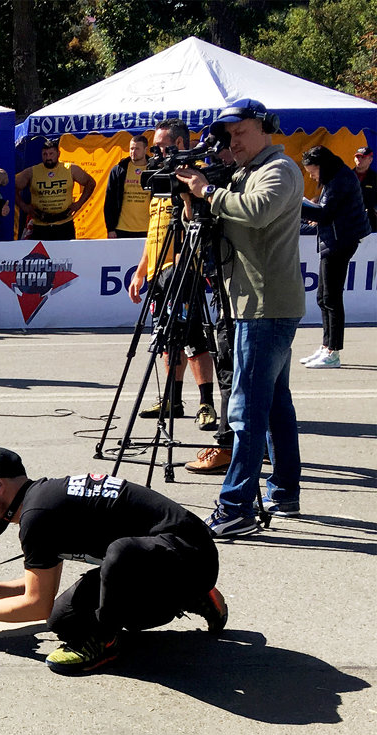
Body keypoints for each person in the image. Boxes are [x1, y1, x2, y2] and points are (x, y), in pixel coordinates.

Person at [0, 446, 226, 674]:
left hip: (191, 558)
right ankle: (187, 598)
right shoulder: (40, 504)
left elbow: (36, 605)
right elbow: (40, 591)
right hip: (156, 558)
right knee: (65, 619)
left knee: (121, 555)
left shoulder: (38, 516)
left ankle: (106, 640)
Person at [175, 99, 304, 537]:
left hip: (265, 307)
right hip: (257, 304)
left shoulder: (279, 170)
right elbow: (221, 220)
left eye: (241, 134)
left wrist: (208, 191)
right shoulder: (244, 172)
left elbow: (258, 210)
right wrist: (196, 197)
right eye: (229, 137)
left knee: (247, 409)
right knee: (275, 406)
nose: (234, 143)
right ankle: (284, 490)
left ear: (265, 128)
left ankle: (236, 508)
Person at [126, 119, 221, 443]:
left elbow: (200, 224)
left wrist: (188, 199)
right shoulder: (160, 181)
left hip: (184, 270)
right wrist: (140, 271)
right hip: (157, 274)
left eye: (163, 145)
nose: (157, 152)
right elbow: (152, 234)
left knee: (193, 339)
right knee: (166, 339)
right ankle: (172, 399)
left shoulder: (193, 178)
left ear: (180, 144)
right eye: (155, 146)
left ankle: (206, 403)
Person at [299, 145, 371, 369]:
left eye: (312, 171)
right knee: (323, 297)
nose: (311, 176)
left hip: (341, 241)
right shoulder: (336, 176)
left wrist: (297, 203)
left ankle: (333, 351)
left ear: (322, 166)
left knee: (331, 298)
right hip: (335, 238)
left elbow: (324, 213)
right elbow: (324, 210)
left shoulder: (340, 179)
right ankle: (326, 346)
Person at [14, 139, 96, 240]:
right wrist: (24, 206)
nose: (48, 157)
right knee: (40, 255)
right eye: (45, 154)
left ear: (58, 153)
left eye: (51, 154)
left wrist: (79, 204)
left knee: (66, 255)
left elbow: (90, 183)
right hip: (41, 225)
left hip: (64, 224)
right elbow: (13, 188)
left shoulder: (70, 169)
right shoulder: (32, 172)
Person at [103, 135, 150, 238]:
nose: (133, 152)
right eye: (131, 148)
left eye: (137, 148)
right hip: (121, 228)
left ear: (145, 149)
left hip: (148, 228)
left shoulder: (154, 170)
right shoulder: (119, 170)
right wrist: (110, 229)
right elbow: (109, 201)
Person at [353, 145, 377, 231]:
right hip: (350, 220)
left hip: (370, 222)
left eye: (363, 157)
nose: (359, 159)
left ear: (370, 160)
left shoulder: (374, 178)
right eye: (357, 157)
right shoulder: (347, 176)